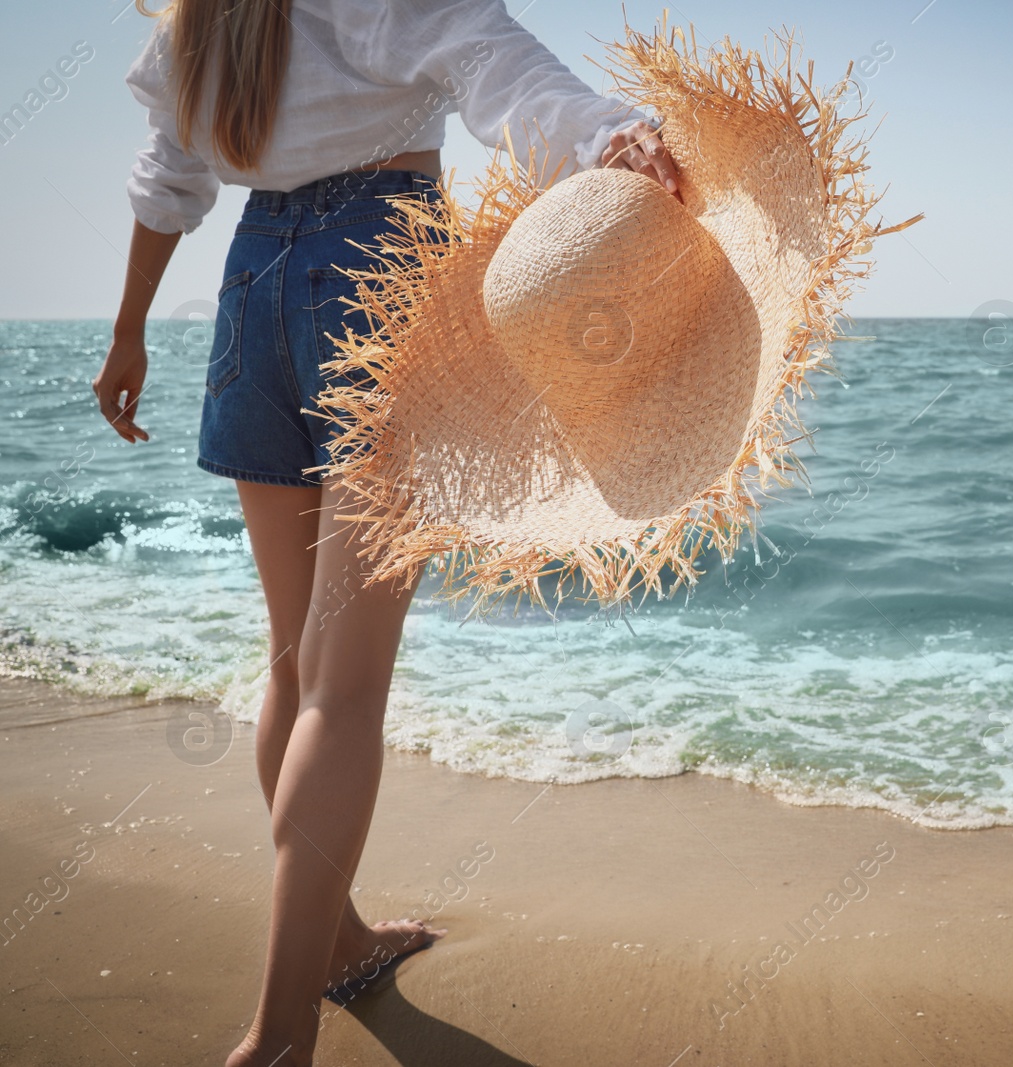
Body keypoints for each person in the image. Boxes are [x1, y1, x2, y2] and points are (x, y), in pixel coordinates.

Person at [91, 2, 681, 1063]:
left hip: (252, 282)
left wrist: (129, 329)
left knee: (294, 666)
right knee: (342, 686)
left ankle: (341, 940)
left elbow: (167, 176)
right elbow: (490, 64)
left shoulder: (200, 18)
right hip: (379, 268)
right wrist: (610, 140)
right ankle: (275, 1037)